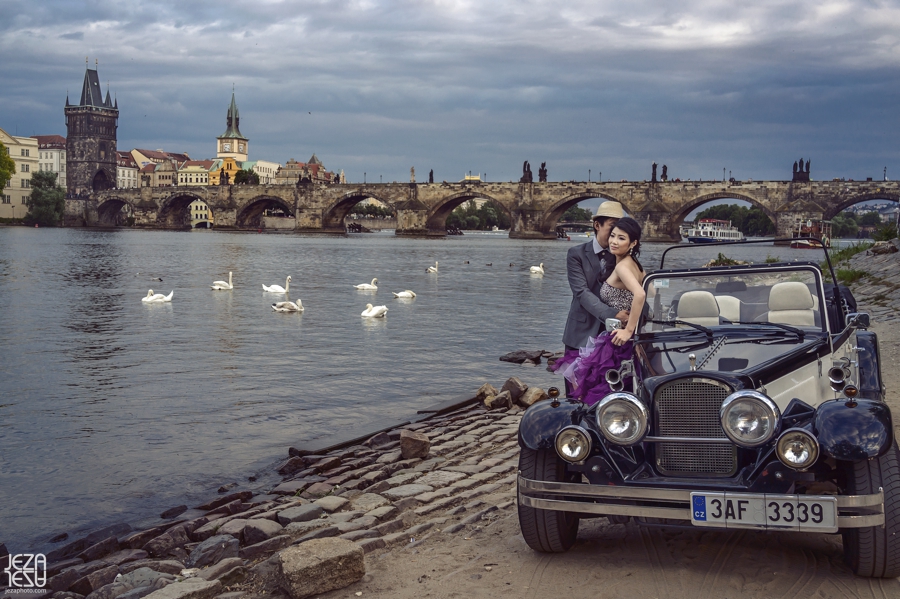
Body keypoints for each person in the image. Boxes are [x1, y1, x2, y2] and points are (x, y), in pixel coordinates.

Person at [553, 216, 646, 405]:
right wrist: (614, 314)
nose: (614, 240)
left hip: (615, 339)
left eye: (621, 236)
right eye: (612, 232)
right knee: (577, 392)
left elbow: (641, 294)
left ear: (632, 242)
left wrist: (632, 327)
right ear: (597, 225)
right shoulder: (576, 253)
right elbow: (581, 292)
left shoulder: (623, 260)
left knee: (609, 393)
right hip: (583, 332)